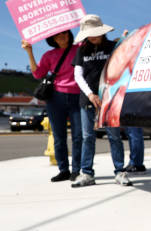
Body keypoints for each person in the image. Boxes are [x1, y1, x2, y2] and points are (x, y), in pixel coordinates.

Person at [71, 14, 132, 188]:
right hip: (87, 99)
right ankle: (87, 173)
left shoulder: (113, 46)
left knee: (114, 136)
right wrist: (91, 94)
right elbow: (78, 75)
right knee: (87, 137)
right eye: (89, 34)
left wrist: (125, 41)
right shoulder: (82, 50)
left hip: (110, 98)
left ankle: (120, 171)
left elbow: (123, 64)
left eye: (96, 33)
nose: (93, 37)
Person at [22, 31, 82, 182]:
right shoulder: (49, 55)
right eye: (58, 35)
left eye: (65, 33)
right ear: (52, 38)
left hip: (78, 96)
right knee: (58, 136)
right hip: (55, 98)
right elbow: (37, 74)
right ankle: (63, 170)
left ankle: (76, 170)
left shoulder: (80, 48)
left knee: (78, 136)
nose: (62, 37)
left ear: (69, 34)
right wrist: (29, 51)